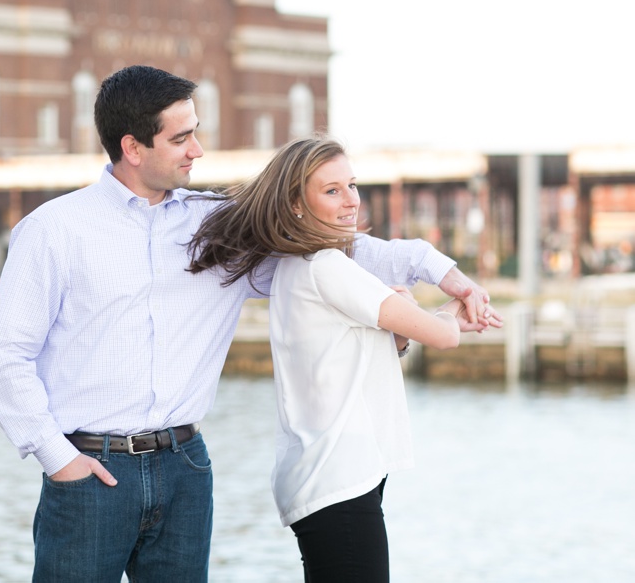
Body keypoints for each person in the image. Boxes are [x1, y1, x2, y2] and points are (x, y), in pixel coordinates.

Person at [0, 65, 500, 583]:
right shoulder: (53, 231)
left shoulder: (215, 227)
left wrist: (445, 274)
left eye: (196, 132)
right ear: (133, 147)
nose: (197, 150)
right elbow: (5, 361)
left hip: (185, 470)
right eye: (181, 138)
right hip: (90, 472)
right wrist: (59, 459)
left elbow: (335, 253)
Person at [187, 137, 475, 582]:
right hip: (338, 481)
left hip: (330, 478)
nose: (351, 202)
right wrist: (458, 306)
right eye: (332, 190)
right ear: (297, 204)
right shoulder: (328, 267)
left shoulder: (296, 267)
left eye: (352, 186)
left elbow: (361, 355)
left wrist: (406, 323)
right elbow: (444, 337)